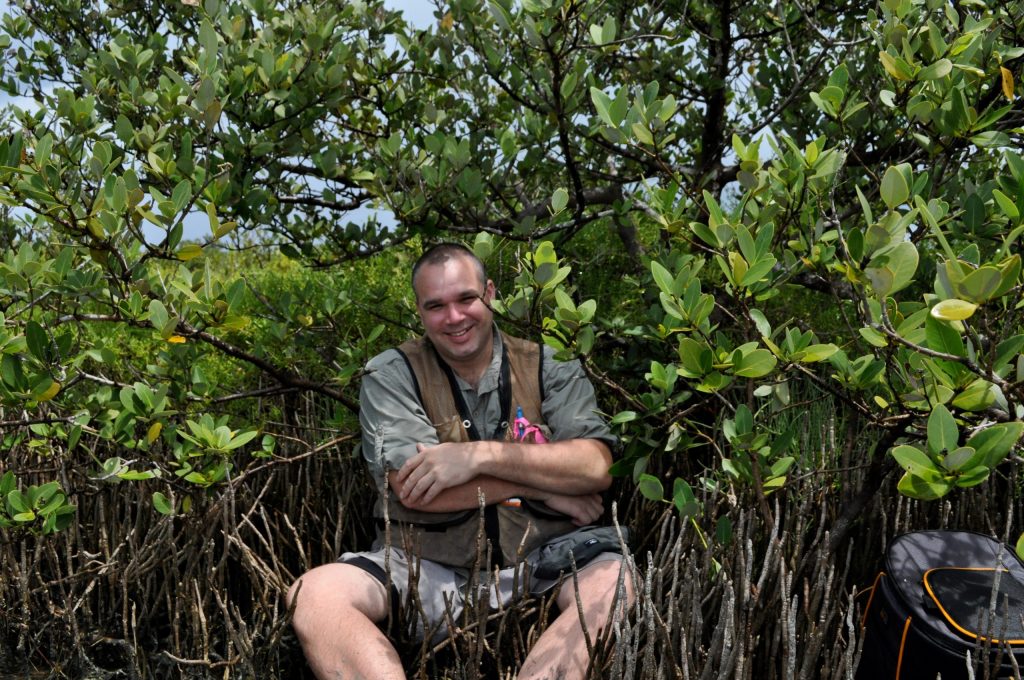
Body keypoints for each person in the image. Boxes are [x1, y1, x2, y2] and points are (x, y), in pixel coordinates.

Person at [287, 243, 633, 680]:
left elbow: (596, 467)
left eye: (466, 298)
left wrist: (476, 456)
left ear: (489, 293)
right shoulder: (391, 374)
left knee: (615, 582)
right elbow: (418, 491)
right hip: (425, 565)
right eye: (436, 306)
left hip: (549, 554)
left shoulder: (552, 365)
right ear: (419, 310)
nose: (454, 318)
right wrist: (541, 484)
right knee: (314, 595)